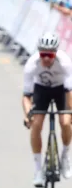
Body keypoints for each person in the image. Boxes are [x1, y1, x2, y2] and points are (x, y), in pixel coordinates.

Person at [22, 33, 72, 186]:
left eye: (49, 55)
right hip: (41, 90)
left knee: (65, 122)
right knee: (36, 124)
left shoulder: (64, 62)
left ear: (55, 53)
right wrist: (27, 114)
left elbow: (70, 92)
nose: (46, 58)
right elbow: (26, 96)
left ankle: (65, 156)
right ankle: (37, 170)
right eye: (43, 54)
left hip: (60, 90)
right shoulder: (31, 64)